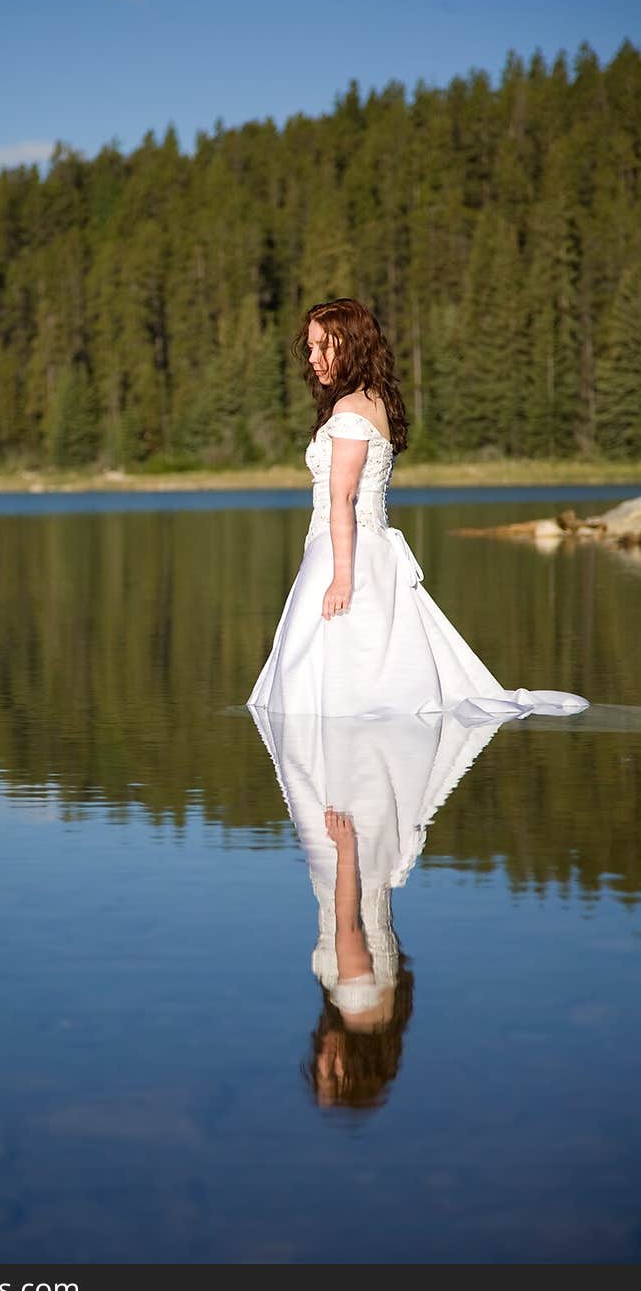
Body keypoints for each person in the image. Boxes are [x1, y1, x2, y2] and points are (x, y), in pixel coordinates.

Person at [247, 298, 588, 720]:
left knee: (320, 680)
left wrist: (340, 578)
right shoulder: (371, 400)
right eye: (311, 347)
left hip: (345, 552)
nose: (314, 358)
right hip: (363, 547)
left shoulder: (350, 409)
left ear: (351, 347)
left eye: (324, 347)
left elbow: (344, 498)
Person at [249, 704, 505, 1109]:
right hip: (347, 855)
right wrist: (345, 850)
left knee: (368, 736)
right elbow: (348, 927)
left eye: (319, 1068)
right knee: (334, 731)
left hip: (370, 860)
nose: (323, 1058)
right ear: (360, 1067)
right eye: (334, 1072)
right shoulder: (355, 1004)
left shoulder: (388, 1015)